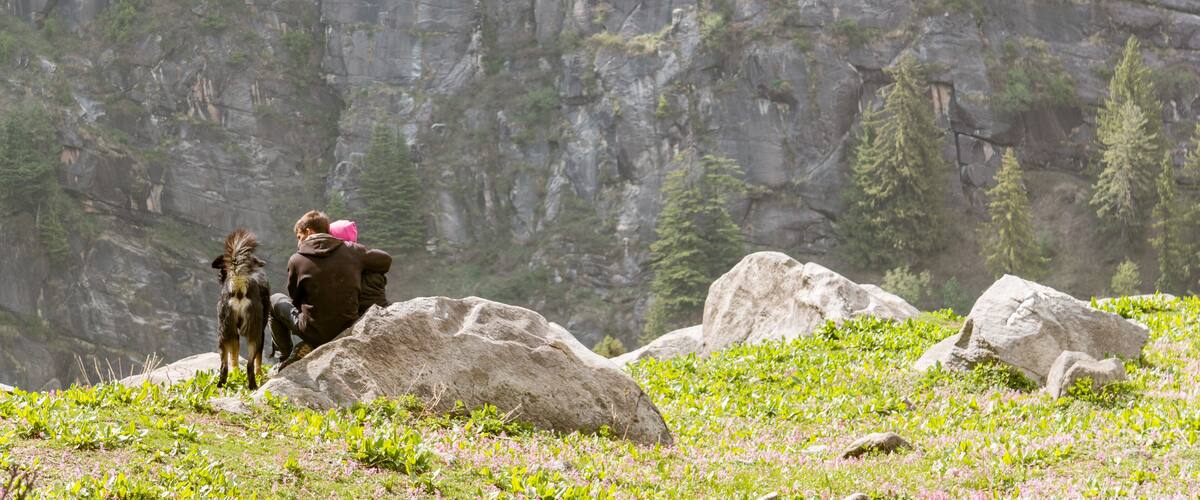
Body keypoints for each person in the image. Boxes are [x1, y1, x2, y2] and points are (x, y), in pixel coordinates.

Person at [269, 210, 392, 369]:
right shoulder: (352, 251)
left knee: (274, 300)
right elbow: (385, 260)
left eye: (299, 237)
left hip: (314, 332)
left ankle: (285, 356)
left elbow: (296, 299)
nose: (299, 243)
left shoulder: (297, 260)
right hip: (348, 326)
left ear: (309, 232)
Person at [328, 219, 391, 316]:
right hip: (380, 308)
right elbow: (386, 259)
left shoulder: (338, 261)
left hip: (358, 314)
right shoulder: (365, 257)